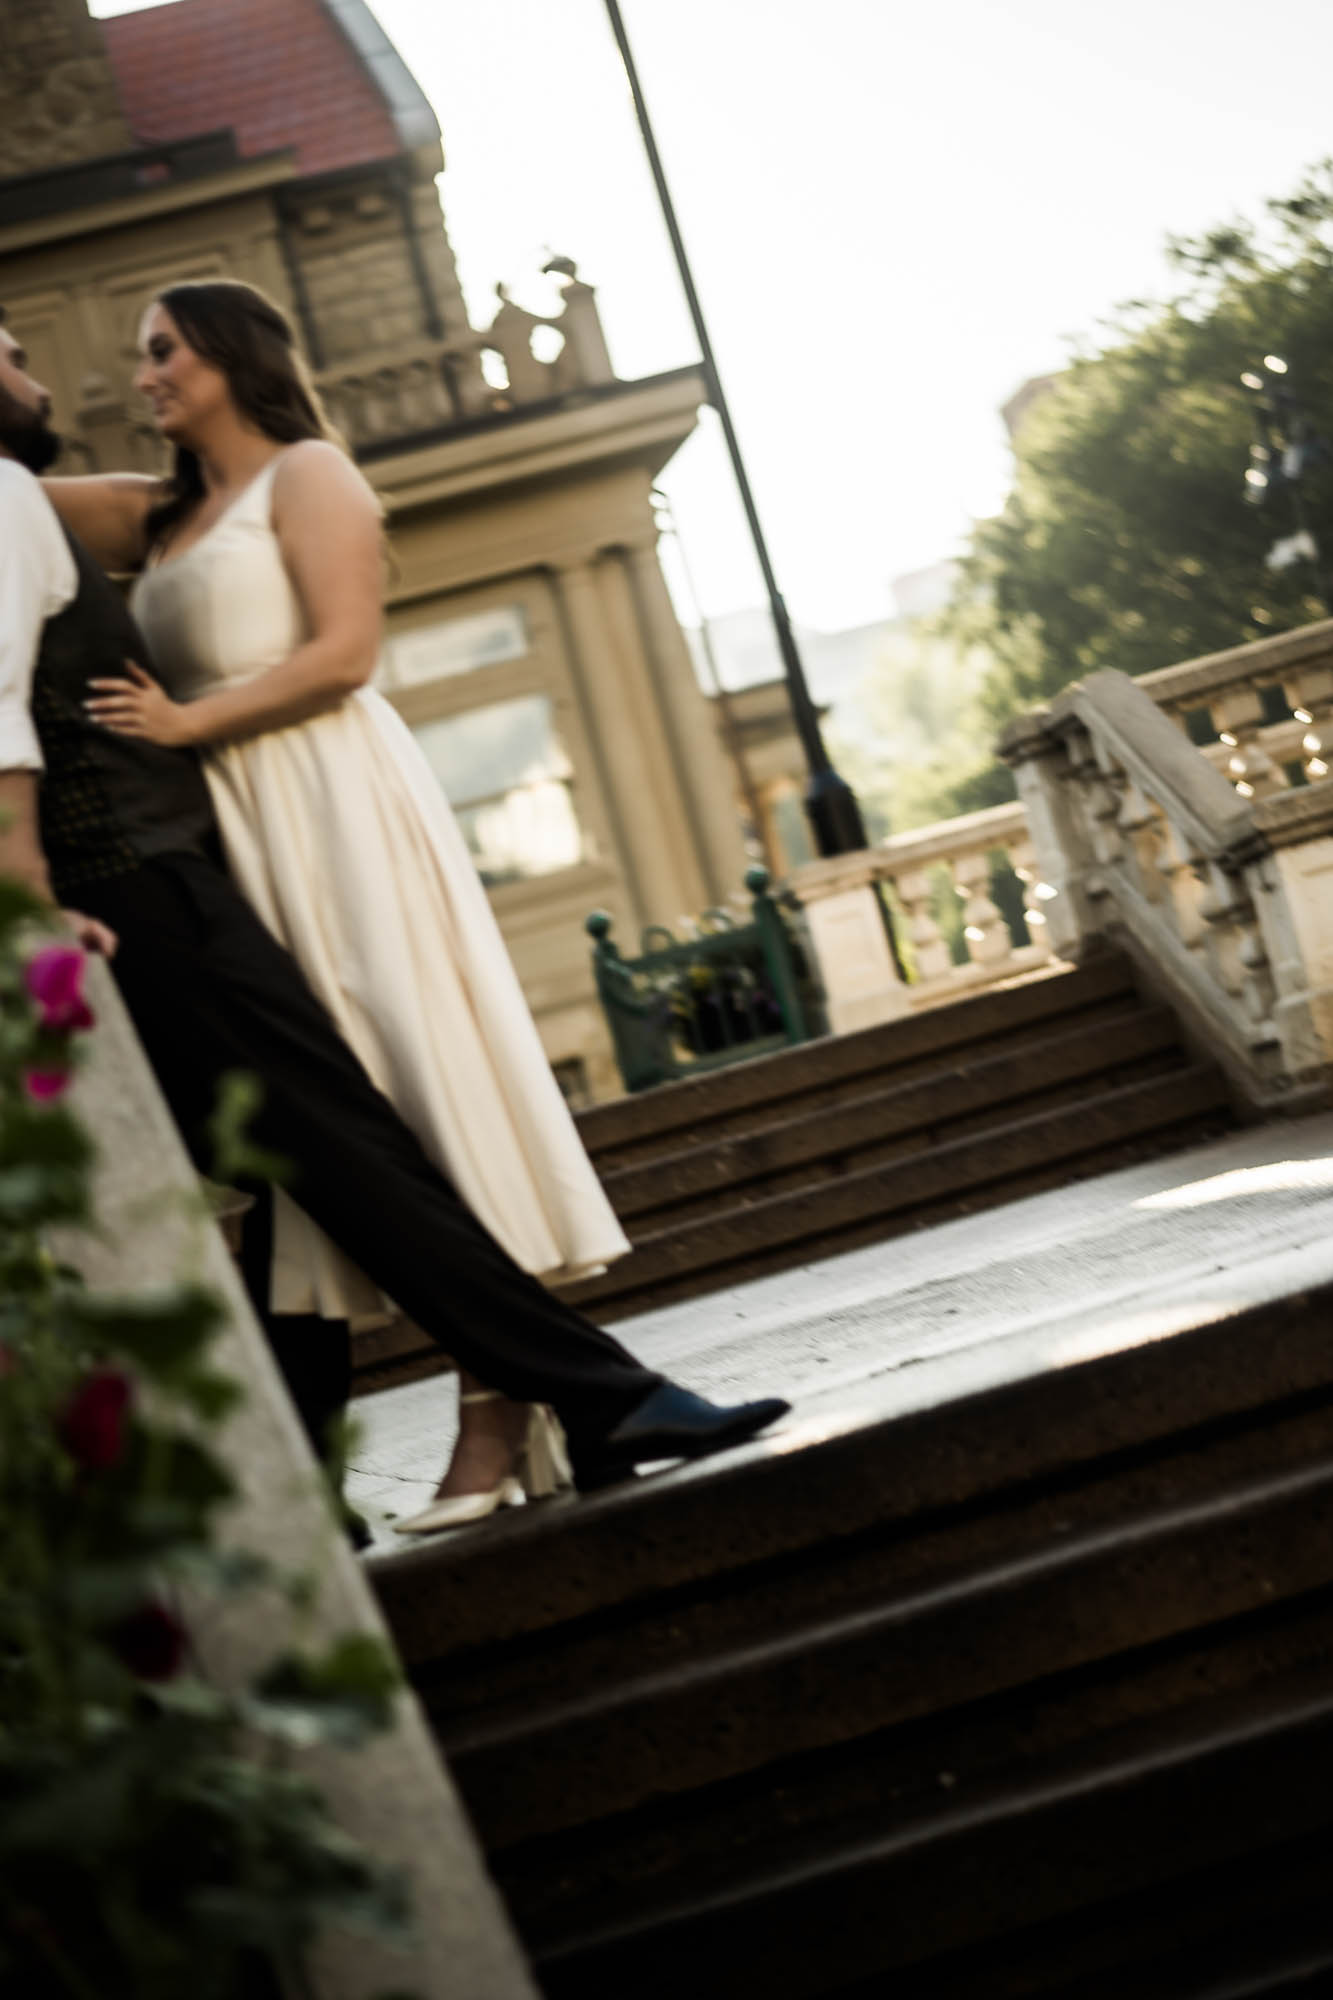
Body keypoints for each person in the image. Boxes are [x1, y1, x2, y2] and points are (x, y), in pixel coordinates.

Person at [0, 311, 788, 1531]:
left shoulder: (198, 488)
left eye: (165, 348)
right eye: (11, 358)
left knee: (304, 1146)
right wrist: (30, 882)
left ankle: (345, 1472)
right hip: (163, 870)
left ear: (234, 358)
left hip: (275, 828)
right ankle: (584, 1396)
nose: (67, 374)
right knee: (320, 1142)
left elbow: (344, 648)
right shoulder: (52, 507)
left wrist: (166, 747)